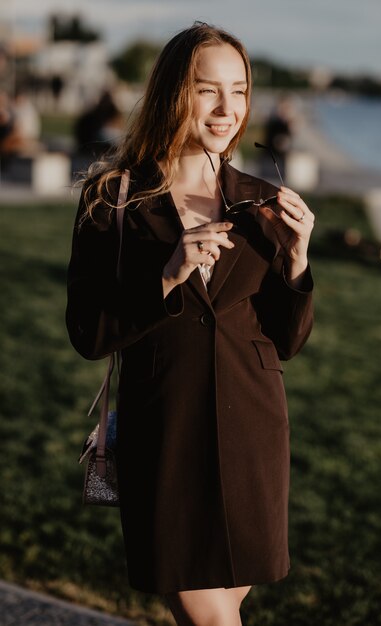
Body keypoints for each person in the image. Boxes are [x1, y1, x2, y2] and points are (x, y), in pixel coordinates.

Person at [66, 22, 315, 626]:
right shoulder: (112, 198)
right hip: (166, 434)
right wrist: (167, 277)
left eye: (240, 90)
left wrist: (298, 261)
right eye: (208, 90)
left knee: (220, 609)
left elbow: (286, 339)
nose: (228, 108)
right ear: (173, 94)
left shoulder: (262, 200)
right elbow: (88, 334)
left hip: (253, 430)